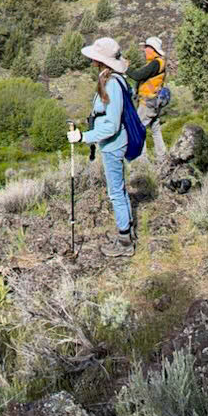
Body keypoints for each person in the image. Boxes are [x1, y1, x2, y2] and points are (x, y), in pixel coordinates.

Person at [65, 37, 134, 258]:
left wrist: (83, 137)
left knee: (116, 193)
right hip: (115, 143)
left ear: (101, 60)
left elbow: (111, 125)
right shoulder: (113, 79)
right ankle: (127, 230)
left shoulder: (112, 83)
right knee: (120, 190)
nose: (91, 60)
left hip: (113, 145)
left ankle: (125, 242)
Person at [127, 36, 167, 159]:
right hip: (154, 102)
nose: (144, 50)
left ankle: (142, 160)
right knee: (155, 129)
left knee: (138, 129)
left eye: (146, 47)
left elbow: (138, 75)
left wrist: (125, 68)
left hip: (148, 103)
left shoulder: (155, 63)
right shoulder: (158, 63)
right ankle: (162, 157)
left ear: (153, 49)